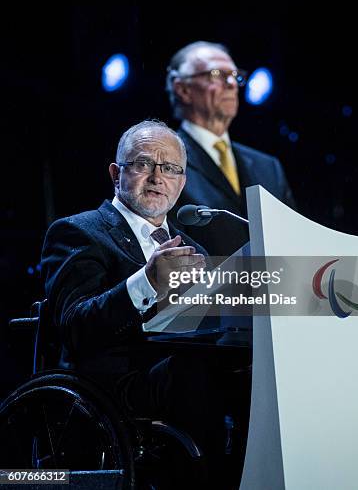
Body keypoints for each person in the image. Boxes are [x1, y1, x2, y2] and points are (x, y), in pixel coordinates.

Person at [41, 119, 227, 472]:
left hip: (183, 376)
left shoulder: (195, 250)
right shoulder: (78, 232)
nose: (158, 177)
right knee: (200, 372)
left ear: (182, 183)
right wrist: (147, 281)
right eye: (143, 164)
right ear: (116, 173)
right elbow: (75, 327)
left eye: (170, 168)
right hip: (114, 390)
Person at [166, 41, 295, 257]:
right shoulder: (163, 161)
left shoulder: (269, 167)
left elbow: (294, 239)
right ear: (183, 89)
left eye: (235, 76)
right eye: (216, 74)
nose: (231, 84)